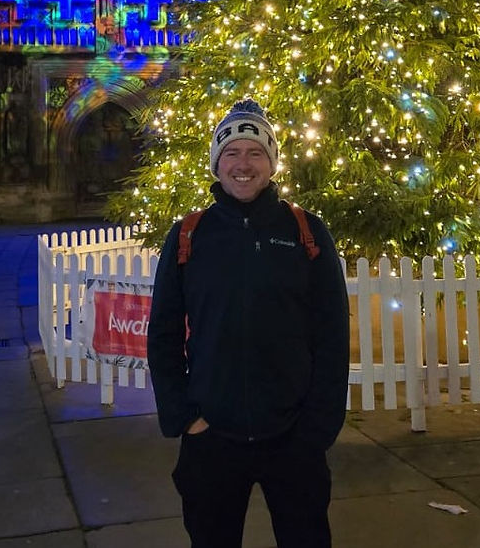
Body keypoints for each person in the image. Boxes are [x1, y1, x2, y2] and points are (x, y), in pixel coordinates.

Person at [147, 99, 350, 548]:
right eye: (232, 153)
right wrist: (186, 418)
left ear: (272, 163)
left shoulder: (306, 231)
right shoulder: (189, 235)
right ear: (217, 164)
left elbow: (332, 334)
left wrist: (316, 430)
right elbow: (162, 334)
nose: (243, 164)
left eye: (256, 152)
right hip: (212, 438)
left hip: (293, 438)